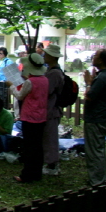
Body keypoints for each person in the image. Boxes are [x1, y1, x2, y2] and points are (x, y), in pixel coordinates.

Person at [11, 53, 49, 183]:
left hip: (29, 117)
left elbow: (20, 95)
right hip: (41, 117)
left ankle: (26, 175)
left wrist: (11, 86)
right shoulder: (45, 80)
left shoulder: (30, 82)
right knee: (37, 147)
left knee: (29, 147)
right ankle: (36, 173)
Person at [83, 48, 106, 186]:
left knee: (94, 151)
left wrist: (88, 83)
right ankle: (99, 177)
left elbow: (90, 96)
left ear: (101, 60)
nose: (93, 56)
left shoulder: (103, 77)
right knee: (98, 149)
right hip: (102, 117)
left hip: (97, 119)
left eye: (96, 55)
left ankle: (97, 181)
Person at [42, 43, 65, 176]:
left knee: (50, 138)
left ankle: (52, 164)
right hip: (49, 109)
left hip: (52, 109)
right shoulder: (51, 71)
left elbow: (47, 90)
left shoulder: (54, 73)